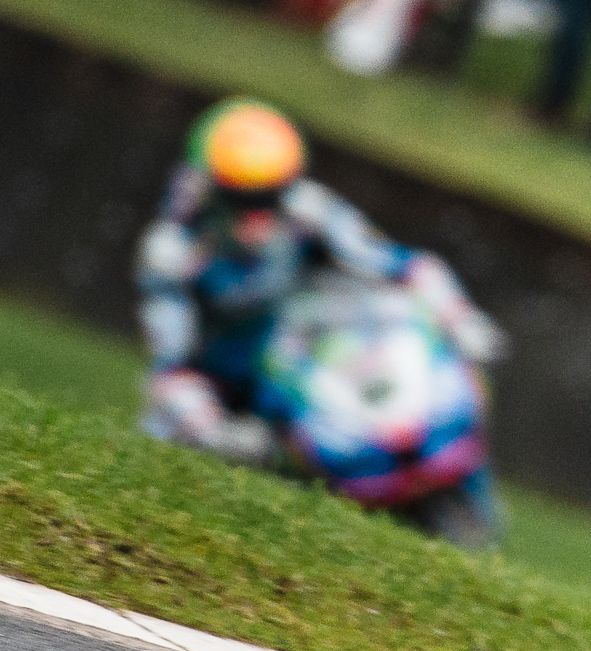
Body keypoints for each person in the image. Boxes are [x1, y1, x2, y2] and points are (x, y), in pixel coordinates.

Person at [136, 99, 503, 463]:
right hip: (221, 388)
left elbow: (407, 267)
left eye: (270, 196)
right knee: (173, 426)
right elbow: (171, 368)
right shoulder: (170, 253)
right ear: (210, 189)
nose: (257, 215)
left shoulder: (309, 213)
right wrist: (212, 429)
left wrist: (461, 320)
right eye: (241, 198)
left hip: (301, 375)